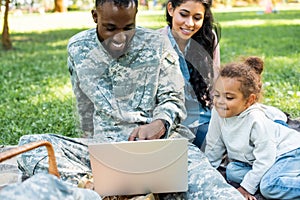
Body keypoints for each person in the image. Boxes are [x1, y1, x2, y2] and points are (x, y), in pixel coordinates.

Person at [17, 0, 244, 199]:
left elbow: (173, 98)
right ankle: (94, 187)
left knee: (213, 188)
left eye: (128, 27)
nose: (120, 37)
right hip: (103, 151)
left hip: (159, 147)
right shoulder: (78, 48)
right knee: (29, 147)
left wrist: (160, 123)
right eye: (110, 28)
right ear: (95, 16)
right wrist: (93, 140)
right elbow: (84, 103)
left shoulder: (158, 44)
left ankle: (118, 190)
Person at [205, 56, 300, 200]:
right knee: (232, 171)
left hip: (288, 153)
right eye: (217, 95)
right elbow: (214, 146)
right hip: (261, 161)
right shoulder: (218, 113)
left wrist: (246, 188)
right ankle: (274, 178)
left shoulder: (256, 120)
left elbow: (266, 159)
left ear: (249, 100)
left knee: (269, 187)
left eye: (229, 97)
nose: (220, 102)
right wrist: (206, 172)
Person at [158, 0, 221, 150]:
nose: (189, 23)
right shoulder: (155, 42)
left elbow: (215, 82)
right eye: (184, 15)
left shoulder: (208, 38)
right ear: (171, 9)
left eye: (197, 18)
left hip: (206, 116)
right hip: (174, 124)